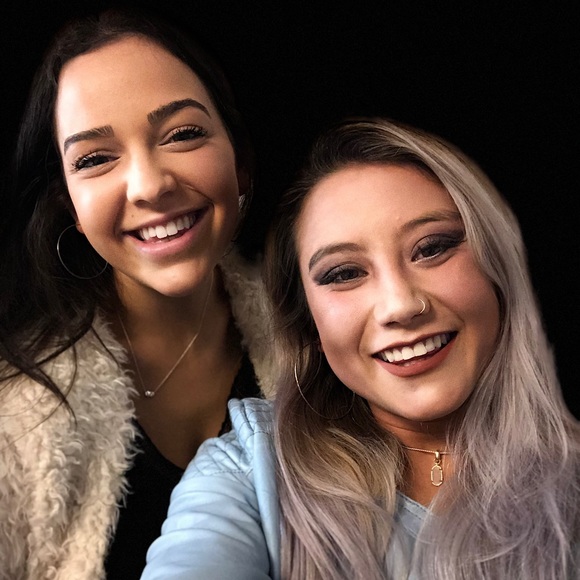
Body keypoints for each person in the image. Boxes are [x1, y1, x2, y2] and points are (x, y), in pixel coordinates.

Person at [141, 117, 580, 579]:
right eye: (345, 273)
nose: (400, 305)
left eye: (432, 248)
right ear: (308, 321)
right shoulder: (246, 474)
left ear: (497, 267)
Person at [0, 7, 278, 580]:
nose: (150, 185)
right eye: (95, 159)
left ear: (240, 160)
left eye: (183, 134)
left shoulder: (324, 337)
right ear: (69, 207)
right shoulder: (13, 418)